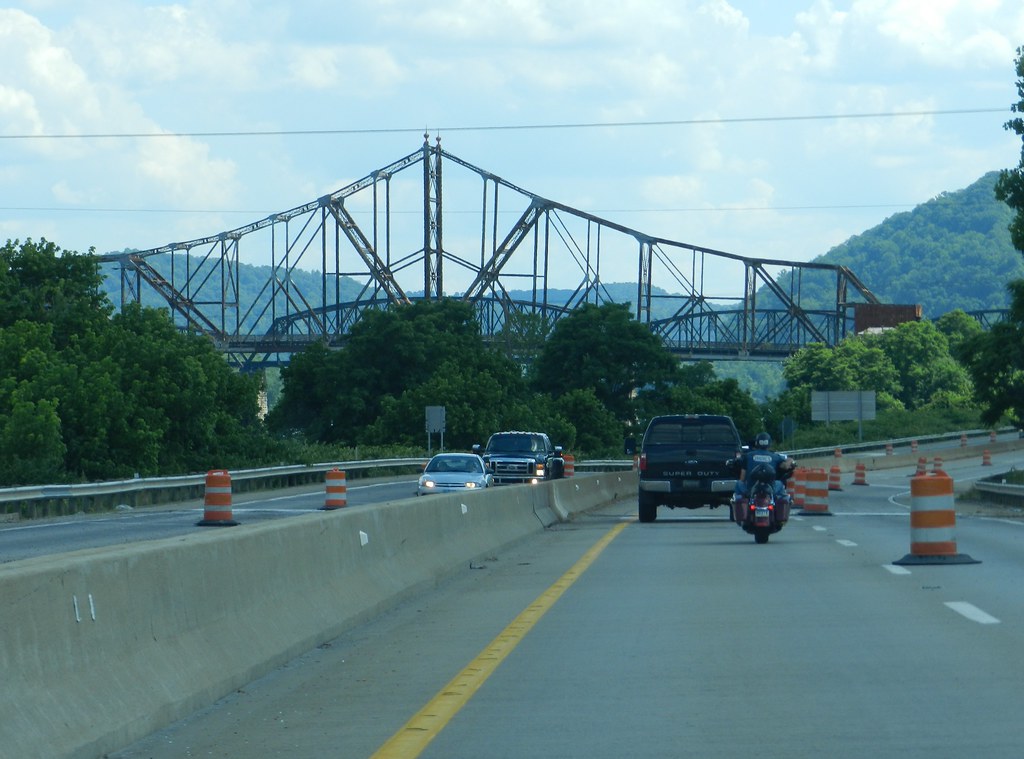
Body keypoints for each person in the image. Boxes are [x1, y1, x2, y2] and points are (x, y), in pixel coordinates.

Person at [733, 432, 795, 502]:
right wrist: (791, 461)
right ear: (769, 443)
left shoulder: (748, 456)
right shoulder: (775, 457)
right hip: (771, 489)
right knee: (780, 484)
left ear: (756, 443)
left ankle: (740, 509)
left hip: (750, 489)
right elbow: (786, 465)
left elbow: (742, 478)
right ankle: (780, 509)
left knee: (739, 484)